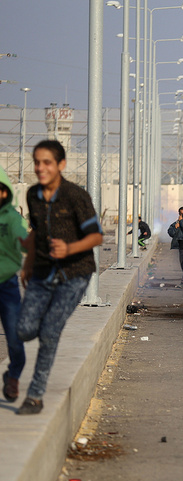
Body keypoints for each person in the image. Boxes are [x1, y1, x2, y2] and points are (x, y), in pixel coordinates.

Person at [15, 139, 103, 415]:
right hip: (41, 271)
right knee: (24, 330)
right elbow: (38, 232)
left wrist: (69, 248)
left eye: (47, 163)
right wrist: (27, 264)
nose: (40, 168)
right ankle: (43, 326)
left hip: (75, 273)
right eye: (37, 162)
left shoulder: (75, 196)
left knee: (50, 332)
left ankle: (35, 396)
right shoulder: (32, 195)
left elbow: (96, 236)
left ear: (61, 165)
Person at [0, 164, 28, 403]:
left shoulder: (12, 219)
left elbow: (25, 242)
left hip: (7, 287)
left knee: (15, 340)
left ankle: (13, 377)